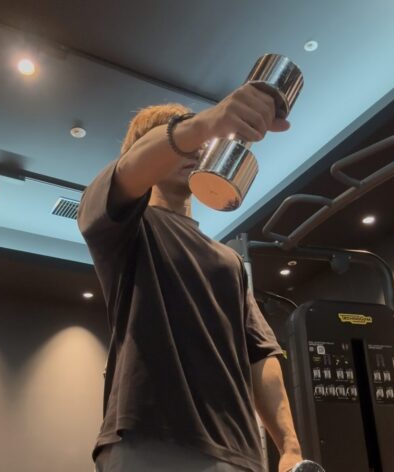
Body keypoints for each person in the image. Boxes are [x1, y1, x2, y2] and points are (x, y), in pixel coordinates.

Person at [78, 83, 301, 472]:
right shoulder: (125, 229)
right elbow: (127, 173)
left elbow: (259, 353)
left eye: (198, 144)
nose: (195, 149)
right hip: (151, 440)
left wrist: (290, 446)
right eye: (177, 141)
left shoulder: (229, 261)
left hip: (239, 453)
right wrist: (204, 125)